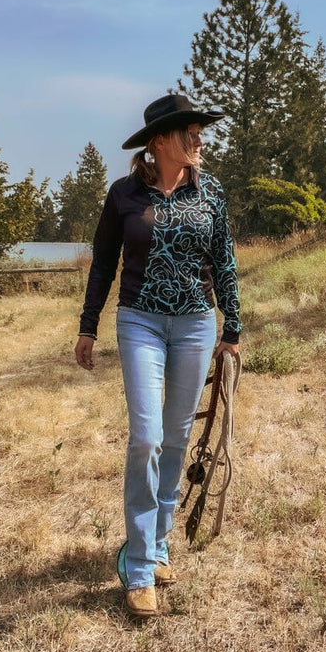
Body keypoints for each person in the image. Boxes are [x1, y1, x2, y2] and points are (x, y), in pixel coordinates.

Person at [75, 93, 241, 618]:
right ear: (159, 141)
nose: (199, 138)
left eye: (197, 130)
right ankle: (139, 563)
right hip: (139, 321)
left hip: (195, 323)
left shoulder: (210, 193)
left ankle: (159, 538)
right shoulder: (124, 194)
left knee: (176, 438)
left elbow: (227, 263)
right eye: (189, 131)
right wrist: (87, 327)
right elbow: (102, 262)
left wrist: (232, 327)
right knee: (146, 436)